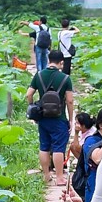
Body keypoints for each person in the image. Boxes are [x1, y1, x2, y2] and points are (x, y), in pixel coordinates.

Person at [29, 51, 75, 187]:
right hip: (59, 117)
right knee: (58, 148)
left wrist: (33, 108)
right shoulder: (65, 78)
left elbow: (29, 94)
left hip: (43, 117)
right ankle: (60, 178)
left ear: (49, 60)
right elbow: (70, 100)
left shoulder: (39, 75)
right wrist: (71, 119)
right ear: (61, 62)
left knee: (44, 146)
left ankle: (46, 175)